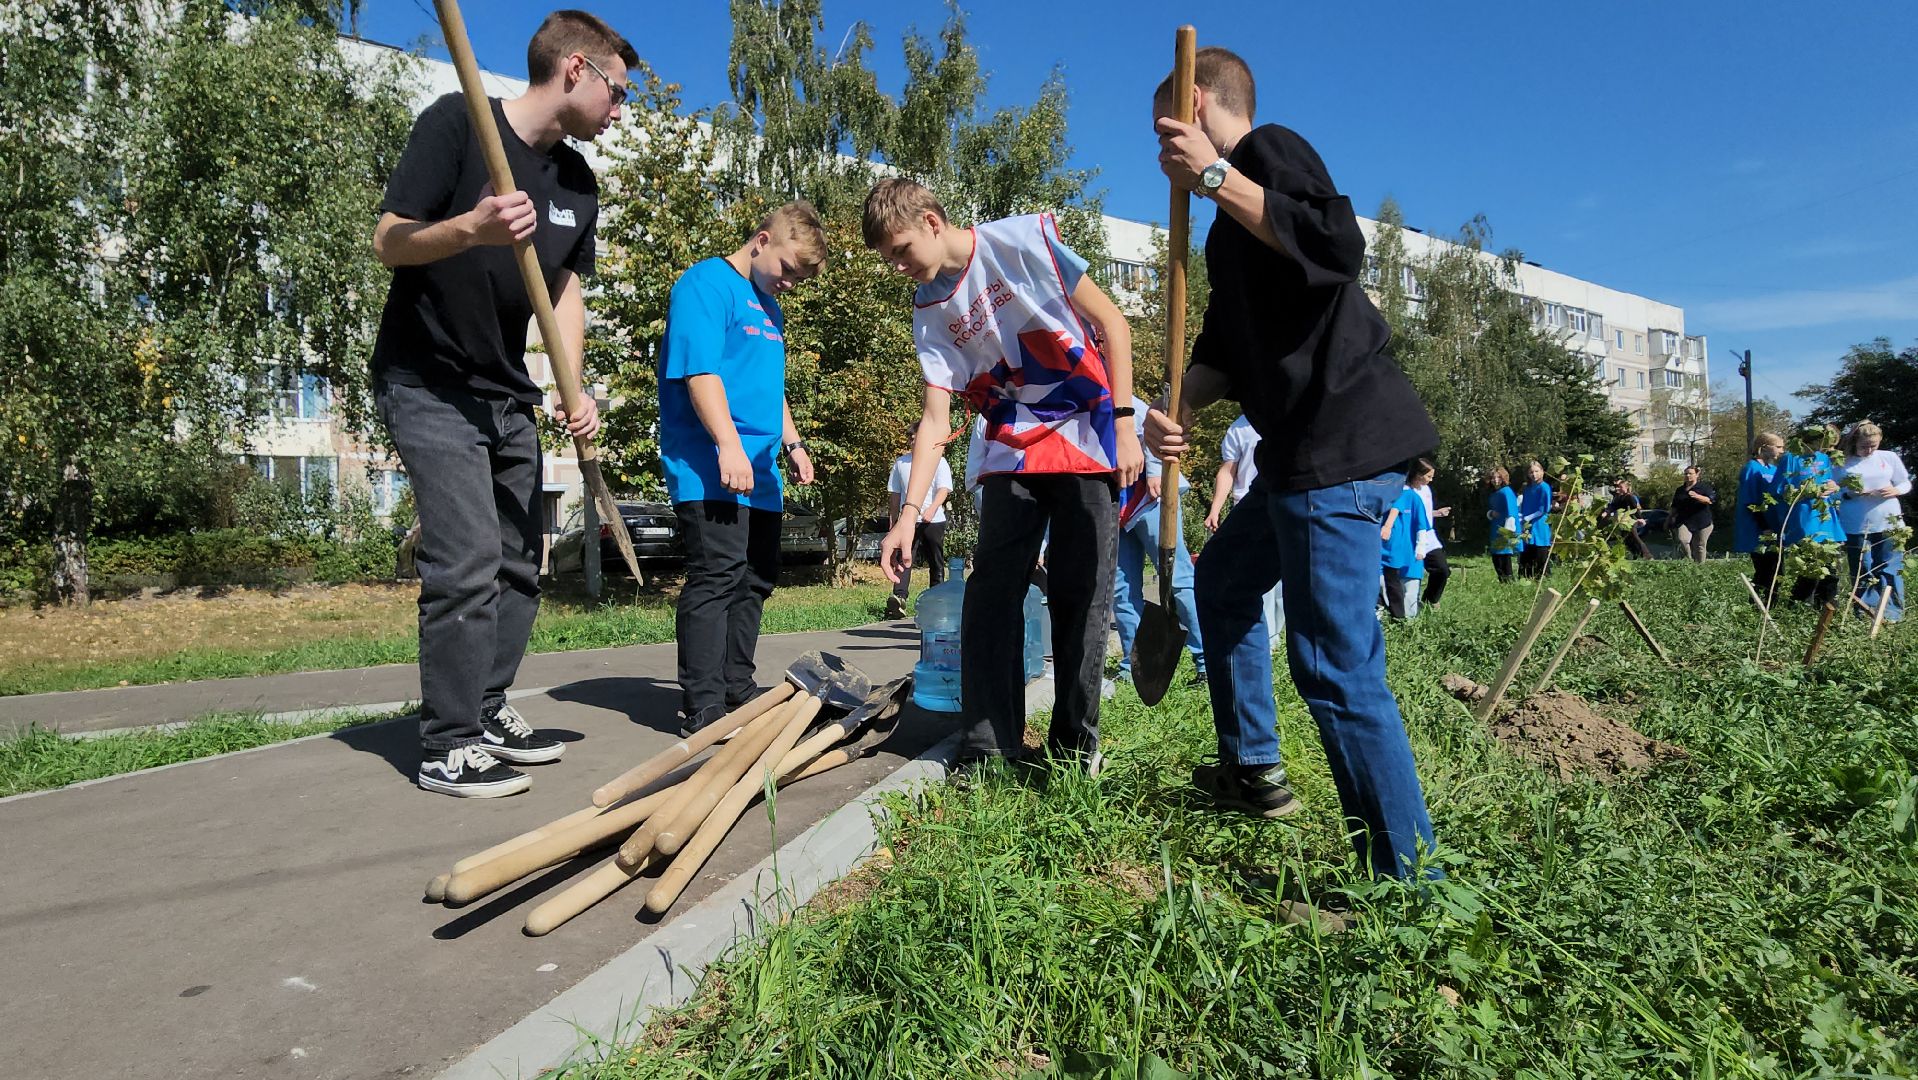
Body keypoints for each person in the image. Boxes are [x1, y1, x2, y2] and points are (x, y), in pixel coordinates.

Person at [1144, 46, 1439, 880]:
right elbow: (1224, 350)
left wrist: (1213, 177)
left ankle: (1407, 879)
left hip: (1338, 442)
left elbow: (1336, 244)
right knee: (1228, 584)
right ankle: (1254, 767)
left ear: (1196, 103)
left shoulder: (1266, 152)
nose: (1160, 145)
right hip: (1292, 452)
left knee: (1333, 666)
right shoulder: (1226, 232)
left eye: (1165, 125)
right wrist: (1181, 408)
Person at [371, 11, 635, 797]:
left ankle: (484, 707)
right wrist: (469, 228)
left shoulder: (577, 184)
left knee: (524, 561)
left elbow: (565, 294)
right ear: (576, 69)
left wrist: (573, 386)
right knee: (467, 560)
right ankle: (445, 745)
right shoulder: (461, 125)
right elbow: (389, 239)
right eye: (618, 93)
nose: (621, 111)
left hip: (506, 394)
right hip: (428, 380)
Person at [865, 178, 1143, 774]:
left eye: (901, 249)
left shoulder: (1024, 243)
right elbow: (934, 419)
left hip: (1081, 435)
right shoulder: (930, 312)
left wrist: (1124, 424)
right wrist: (908, 518)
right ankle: (991, 748)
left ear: (933, 222)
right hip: (1011, 448)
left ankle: (1075, 748)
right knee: (991, 594)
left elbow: (1114, 326)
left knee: (1081, 593)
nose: (898, 266)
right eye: (888, 258)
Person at [659, 203, 826, 736]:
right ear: (761, 240)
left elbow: (770, 388)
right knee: (718, 575)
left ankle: (737, 685)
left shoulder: (770, 306)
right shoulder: (705, 286)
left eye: (800, 277)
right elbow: (701, 373)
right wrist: (728, 446)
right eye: (789, 269)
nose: (791, 283)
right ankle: (703, 703)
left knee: (755, 578)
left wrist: (794, 444)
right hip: (710, 464)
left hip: (762, 473)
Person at [1113, 396, 1205, 683]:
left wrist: (1155, 470)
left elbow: (1154, 427)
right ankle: (1135, 669)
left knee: (1177, 578)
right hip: (1113, 508)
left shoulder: (1120, 396)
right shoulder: (1073, 398)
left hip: (1150, 500)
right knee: (1120, 590)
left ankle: (1207, 661)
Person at [1206, 414, 1283, 644]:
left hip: (1283, 501)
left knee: (1281, 580)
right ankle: (1265, 639)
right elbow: (1228, 471)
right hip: (1248, 508)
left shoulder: (1284, 417)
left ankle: (1276, 635)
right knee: (1256, 576)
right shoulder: (1239, 428)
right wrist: (1215, 508)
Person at [1835, 421, 1909, 623]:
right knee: (1862, 569)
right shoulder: (1843, 463)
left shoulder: (1889, 457)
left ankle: (1892, 614)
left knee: (1889, 567)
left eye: (1873, 445)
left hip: (1889, 521)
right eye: (1864, 446)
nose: (1868, 450)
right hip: (1857, 523)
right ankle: (1865, 613)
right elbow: (1834, 491)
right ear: (1854, 442)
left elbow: (1905, 481)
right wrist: (1851, 493)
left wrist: (1896, 490)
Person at [884, 421, 955, 620]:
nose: (912, 441)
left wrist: (932, 509)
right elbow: (895, 496)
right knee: (904, 559)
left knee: (935, 560)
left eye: (916, 437)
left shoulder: (939, 461)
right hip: (908, 522)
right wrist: (893, 523)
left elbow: (944, 489)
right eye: (910, 438)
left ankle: (938, 598)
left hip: (934, 520)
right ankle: (898, 599)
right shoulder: (901, 463)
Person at [1771, 423, 1846, 608]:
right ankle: (1798, 608)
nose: (1830, 449)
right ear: (1814, 440)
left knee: (1830, 569)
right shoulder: (1791, 458)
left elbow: (1830, 484)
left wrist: (1834, 487)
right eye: (1826, 444)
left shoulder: (1824, 459)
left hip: (1826, 519)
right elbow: (1778, 490)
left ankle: (1827, 608)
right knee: (1809, 570)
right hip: (1804, 519)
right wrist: (1808, 492)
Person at [1734, 433, 1784, 600]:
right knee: (1765, 570)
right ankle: (1757, 606)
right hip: (1759, 528)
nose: (1781, 451)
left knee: (1778, 570)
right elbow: (1749, 501)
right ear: (1764, 447)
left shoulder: (1774, 469)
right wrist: (1764, 527)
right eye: (1778, 447)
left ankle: (1772, 604)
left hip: (1774, 526)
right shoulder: (1751, 468)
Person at [1379, 476, 1430, 620]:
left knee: (1409, 588)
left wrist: (1421, 547)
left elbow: (1421, 525)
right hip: (1385, 552)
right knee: (1384, 584)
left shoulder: (1411, 497)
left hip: (1407, 553)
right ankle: (1391, 616)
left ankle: (1407, 622)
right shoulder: (1382, 495)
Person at [1410, 460, 1450, 610]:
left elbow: (1424, 514)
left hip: (1429, 536)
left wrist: (1437, 513)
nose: (1431, 480)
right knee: (1411, 575)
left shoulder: (1427, 490)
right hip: (1411, 537)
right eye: (1428, 476)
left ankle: (1429, 600)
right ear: (1418, 474)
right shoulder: (1407, 491)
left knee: (1442, 570)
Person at [1670, 465, 1717, 562]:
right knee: (1683, 540)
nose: (1688, 476)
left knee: (1700, 545)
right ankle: (1689, 559)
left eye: (1690, 473)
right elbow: (1674, 506)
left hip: (1702, 522)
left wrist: (1697, 496)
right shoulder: (1680, 490)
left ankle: (1700, 567)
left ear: (1697, 475)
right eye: (1686, 474)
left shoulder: (1704, 487)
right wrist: (1669, 518)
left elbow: (1709, 500)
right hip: (1684, 521)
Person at [1485, 466, 1522, 583]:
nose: (1496, 480)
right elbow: (1492, 510)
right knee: (1496, 557)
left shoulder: (1506, 491)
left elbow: (1511, 512)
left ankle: (1509, 582)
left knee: (1504, 557)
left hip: (1505, 529)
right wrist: (1490, 513)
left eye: (1499, 477)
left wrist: (1507, 532)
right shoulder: (1494, 493)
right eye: (1493, 477)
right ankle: (1503, 581)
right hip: (1496, 527)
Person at [1517, 460, 1554, 578]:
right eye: (1531, 472)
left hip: (1539, 524)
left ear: (1542, 472)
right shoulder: (1527, 488)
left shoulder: (1544, 487)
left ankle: (1542, 579)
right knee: (1526, 554)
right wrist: (1521, 517)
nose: (1534, 474)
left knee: (1540, 554)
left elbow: (1544, 508)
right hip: (1527, 525)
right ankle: (1525, 579)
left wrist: (1530, 517)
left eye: (1537, 471)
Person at [1601, 477, 1652, 559]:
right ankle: (1636, 555)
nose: (1618, 489)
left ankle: (1648, 556)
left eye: (1621, 487)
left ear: (1626, 488)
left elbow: (1635, 509)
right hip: (1622, 521)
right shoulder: (1619, 498)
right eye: (1618, 487)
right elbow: (1613, 506)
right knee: (1627, 540)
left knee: (1635, 537)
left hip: (1630, 521)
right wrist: (1606, 512)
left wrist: (1640, 518)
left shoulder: (1629, 497)